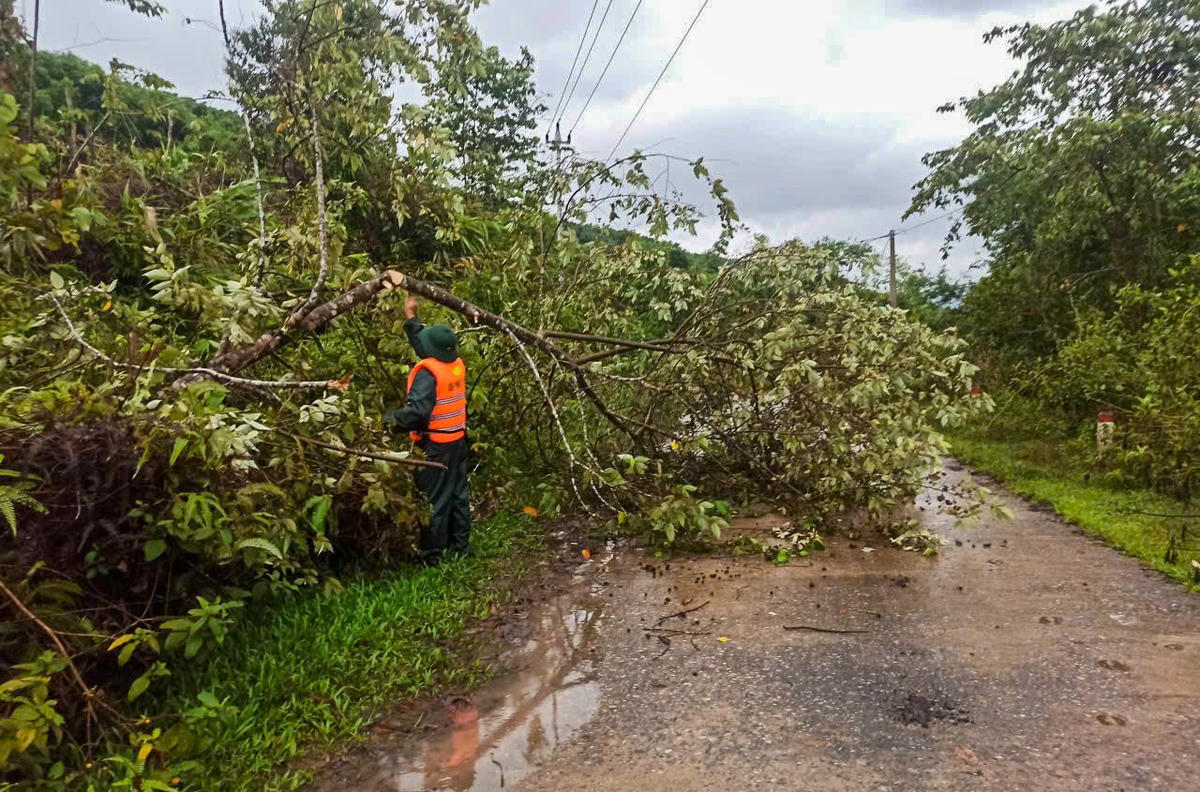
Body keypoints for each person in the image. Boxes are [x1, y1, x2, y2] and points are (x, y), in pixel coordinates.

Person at [383, 294, 471, 563]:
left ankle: (432, 556)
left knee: (434, 499)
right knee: (458, 494)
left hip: (437, 447)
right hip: (458, 439)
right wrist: (411, 316)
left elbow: (417, 414)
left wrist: (386, 421)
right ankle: (460, 546)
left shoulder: (427, 374)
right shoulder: (453, 364)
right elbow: (424, 342)